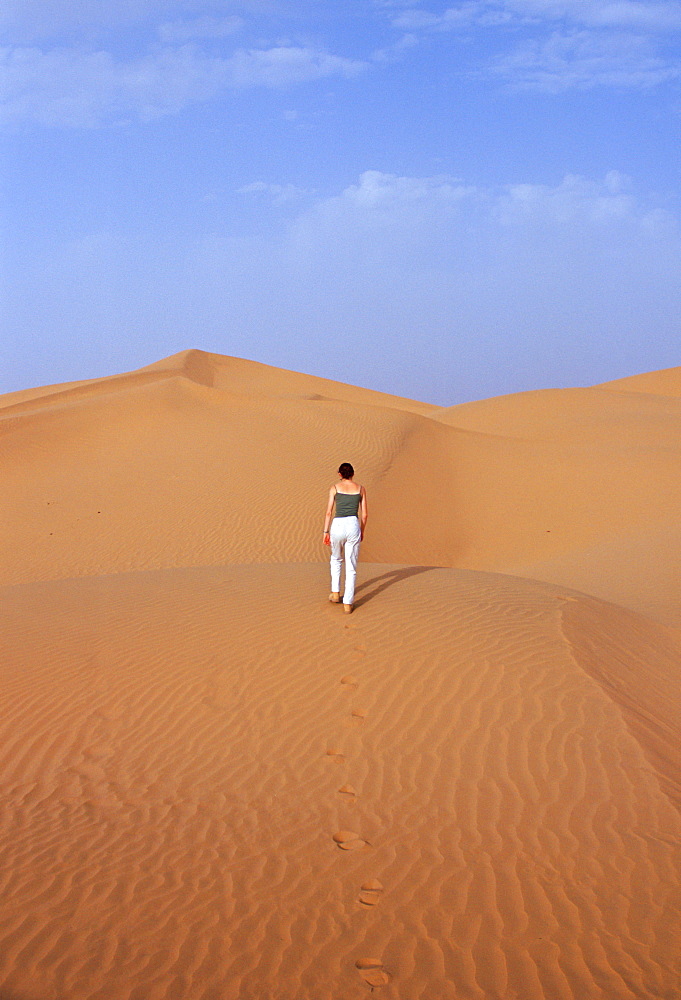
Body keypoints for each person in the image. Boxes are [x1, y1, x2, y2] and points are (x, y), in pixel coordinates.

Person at [323, 463, 367, 614]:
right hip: (353, 525)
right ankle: (348, 603)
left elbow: (329, 512)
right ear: (352, 474)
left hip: (338, 525)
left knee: (336, 558)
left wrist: (325, 531)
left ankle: (335, 593)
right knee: (351, 565)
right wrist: (362, 530)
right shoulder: (360, 489)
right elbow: (365, 514)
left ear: (340, 474)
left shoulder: (334, 488)